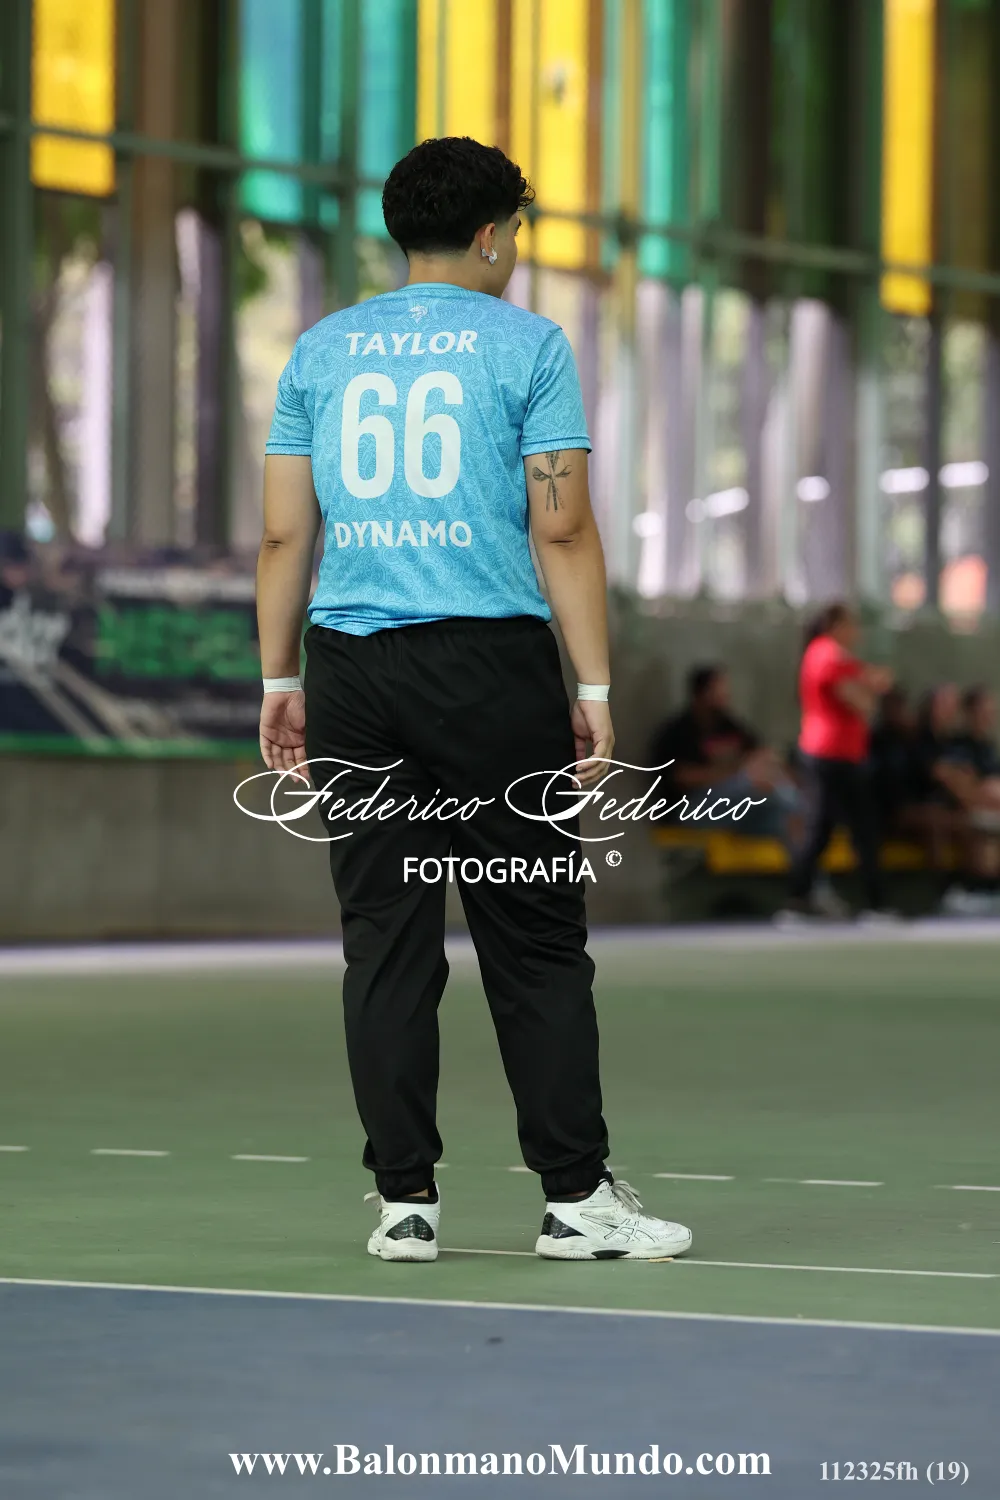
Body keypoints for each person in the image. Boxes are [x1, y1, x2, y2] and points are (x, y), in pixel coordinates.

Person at [255, 137, 691, 1264]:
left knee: (384, 945)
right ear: (493, 235)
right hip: (490, 671)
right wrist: (593, 686)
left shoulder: (321, 349)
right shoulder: (528, 346)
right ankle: (575, 1202)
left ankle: (404, 1204)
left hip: (351, 673)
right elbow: (562, 527)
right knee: (534, 938)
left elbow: (284, 535)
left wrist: (280, 678)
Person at [783, 602, 893, 920]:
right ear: (835, 626)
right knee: (850, 829)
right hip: (829, 756)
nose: (856, 631)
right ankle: (870, 904)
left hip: (842, 756)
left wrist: (869, 682)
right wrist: (870, 687)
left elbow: (866, 681)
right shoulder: (826, 653)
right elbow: (860, 700)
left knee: (834, 829)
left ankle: (802, 899)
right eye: (851, 624)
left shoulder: (836, 657)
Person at [648, 664, 797, 837]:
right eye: (718, 690)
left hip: (732, 805)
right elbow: (681, 777)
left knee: (778, 814)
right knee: (752, 784)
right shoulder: (679, 731)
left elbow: (758, 752)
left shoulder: (727, 725)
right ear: (702, 693)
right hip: (688, 810)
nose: (726, 695)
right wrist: (738, 774)